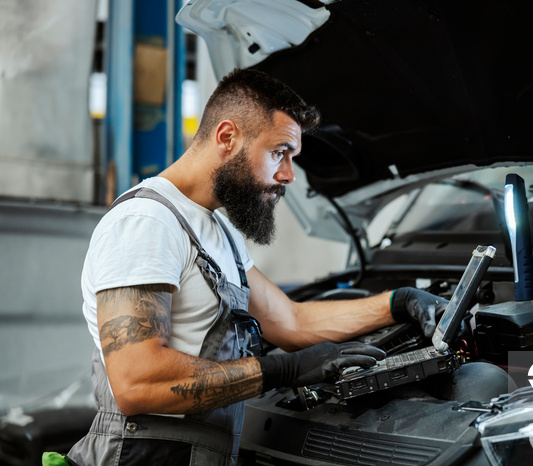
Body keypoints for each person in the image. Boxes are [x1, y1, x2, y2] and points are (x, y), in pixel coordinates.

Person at [67, 69, 447, 465]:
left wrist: (399, 303)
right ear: (227, 137)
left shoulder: (218, 231)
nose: (288, 175)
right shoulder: (147, 223)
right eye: (279, 152)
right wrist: (283, 370)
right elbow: (137, 381)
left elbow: (291, 321)